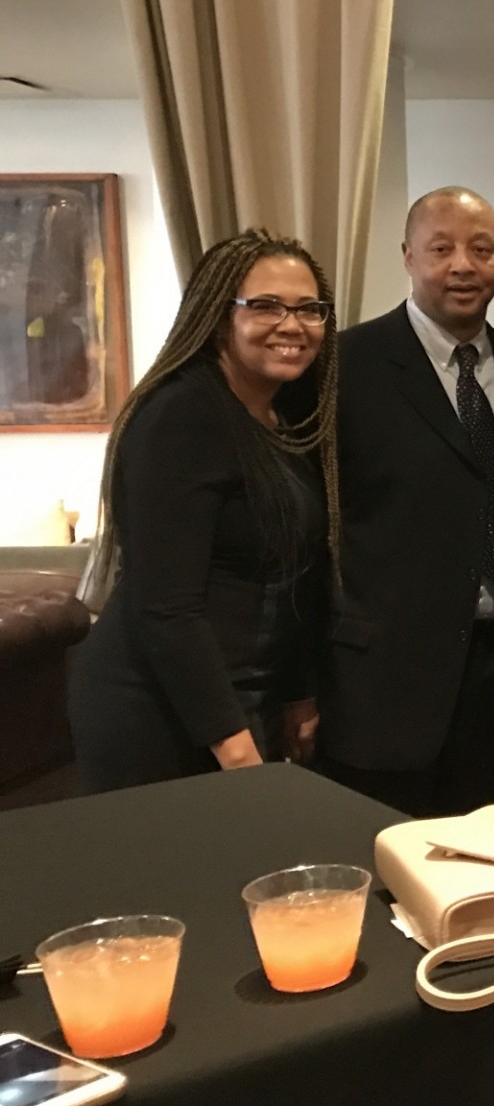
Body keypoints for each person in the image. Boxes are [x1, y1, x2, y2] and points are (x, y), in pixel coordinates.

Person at [69, 229, 337, 791]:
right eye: (265, 306)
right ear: (219, 315)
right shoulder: (181, 416)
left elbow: (288, 577)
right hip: (159, 712)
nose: (292, 325)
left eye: (309, 309)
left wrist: (296, 691)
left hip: (242, 702)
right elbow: (167, 608)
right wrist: (236, 749)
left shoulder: (282, 417)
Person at [316, 187, 494, 817]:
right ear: (407, 256)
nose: (463, 266)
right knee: (371, 861)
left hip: (488, 672)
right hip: (376, 679)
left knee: (464, 855)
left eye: (482, 249)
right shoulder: (344, 366)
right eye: (441, 248)